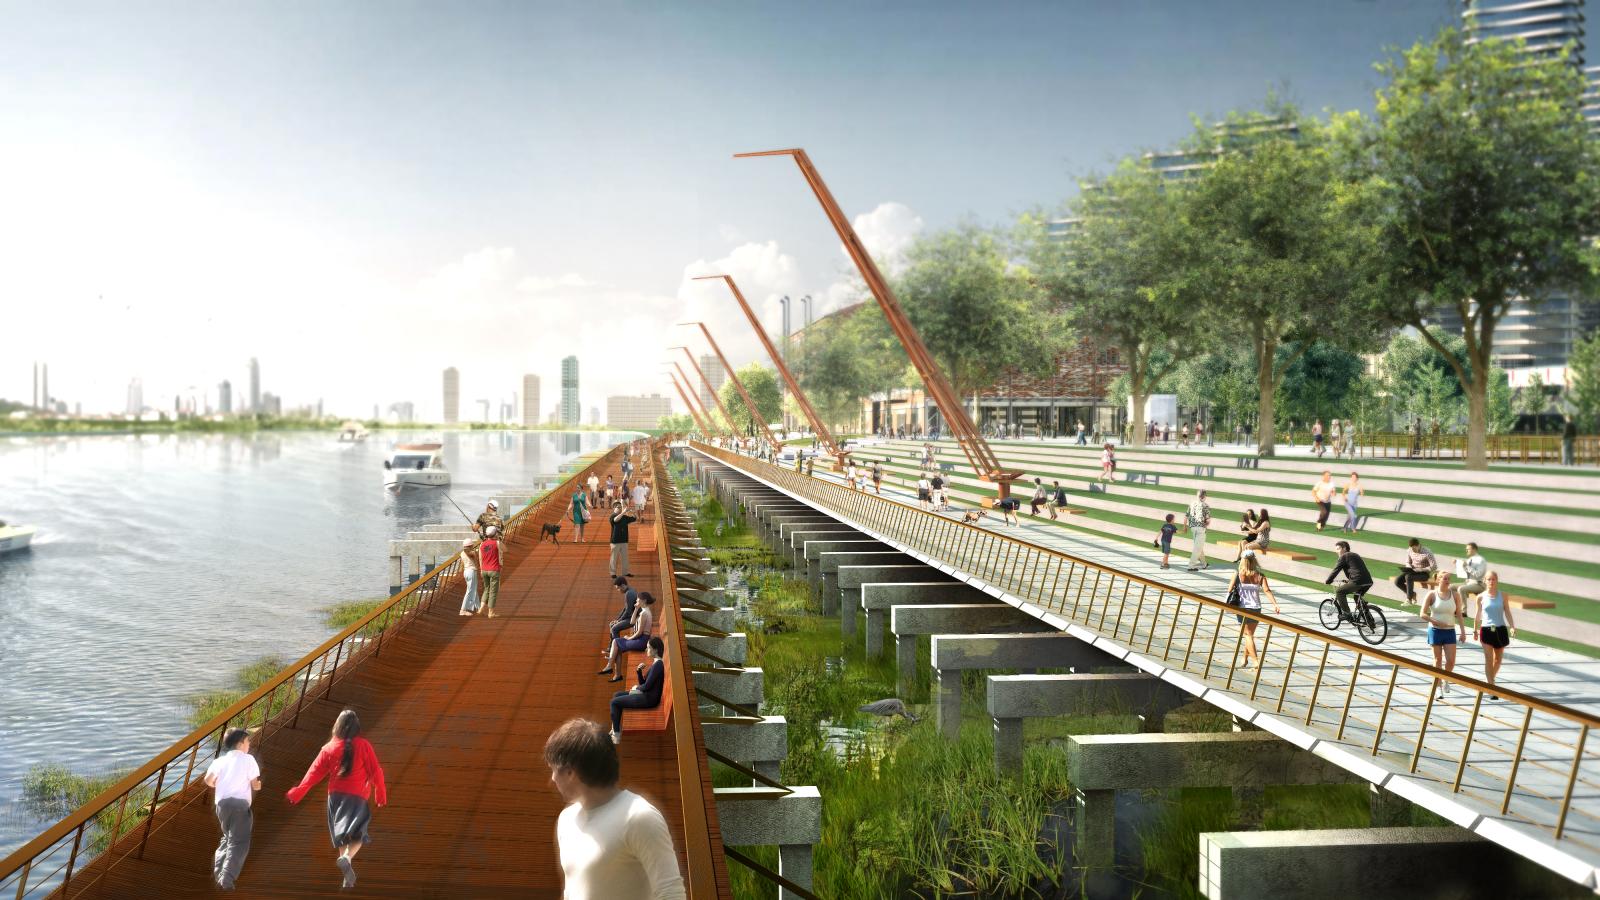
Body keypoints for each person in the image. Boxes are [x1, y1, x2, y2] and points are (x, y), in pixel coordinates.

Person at [546, 718, 686, 899]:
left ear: (570, 772)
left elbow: (671, 892)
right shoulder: (567, 819)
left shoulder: (639, 817)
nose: (552, 779)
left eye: (553, 769)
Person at [286, 709, 387, 891]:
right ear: (357, 727)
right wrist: (380, 794)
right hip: (357, 797)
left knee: (342, 837)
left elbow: (313, 773)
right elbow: (376, 771)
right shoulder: (364, 745)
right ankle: (347, 859)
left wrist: (297, 792)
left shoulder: (328, 748)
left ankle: (346, 878)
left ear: (337, 726)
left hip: (335, 797)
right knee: (358, 835)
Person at [205, 727, 261, 891]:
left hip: (222, 806)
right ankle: (226, 879)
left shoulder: (219, 761)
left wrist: (219, 784)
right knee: (240, 842)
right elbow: (254, 784)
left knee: (228, 837)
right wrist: (258, 785)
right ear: (240, 743)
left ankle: (219, 872)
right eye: (248, 741)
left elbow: (208, 780)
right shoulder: (248, 759)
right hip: (240, 806)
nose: (249, 744)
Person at [609, 636, 666, 744]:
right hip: (646, 694)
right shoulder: (655, 663)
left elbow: (646, 686)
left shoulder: (658, 665)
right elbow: (644, 683)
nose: (646, 650)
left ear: (655, 650)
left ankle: (616, 735)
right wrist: (639, 671)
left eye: (649, 648)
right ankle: (615, 726)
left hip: (649, 699)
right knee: (616, 695)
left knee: (614, 703)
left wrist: (636, 688)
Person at [1227, 554, 1280, 669]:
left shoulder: (1237, 574)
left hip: (1242, 608)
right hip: (1256, 608)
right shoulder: (1260, 576)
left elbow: (1229, 589)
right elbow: (1267, 590)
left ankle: (1255, 661)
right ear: (1254, 561)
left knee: (1248, 635)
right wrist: (1275, 604)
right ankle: (1245, 659)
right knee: (1249, 634)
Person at [1420, 572, 1466, 698]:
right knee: (1437, 660)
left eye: (1448, 579)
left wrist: (1462, 632)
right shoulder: (1431, 594)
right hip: (1435, 631)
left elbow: (1460, 615)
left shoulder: (1455, 595)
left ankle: (1446, 679)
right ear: (1438, 580)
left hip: (1450, 631)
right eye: (1444, 578)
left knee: (1451, 661)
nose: (1447, 581)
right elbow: (1422, 614)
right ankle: (1438, 687)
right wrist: (1436, 621)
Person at [1474, 572, 1516, 693]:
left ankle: (1490, 679)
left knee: (1497, 659)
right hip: (1486, 629)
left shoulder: (1503, 596)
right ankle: (1491, 687)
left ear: (1497, 580)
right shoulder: (1480, 597)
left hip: (1500, 629)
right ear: (1485, 581)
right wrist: (1475, 630)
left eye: (1493, 579)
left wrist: (1512, 626)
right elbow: (1477, 614)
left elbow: (1507, 611)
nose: (1491, 582)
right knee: (1488, 658)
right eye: (1489, 579)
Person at [600, 591, 655, 681]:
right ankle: (616, 674)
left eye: (638, 599)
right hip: (641, 639)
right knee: (617, 646)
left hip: (642, 641)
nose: (636, 600)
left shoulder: (644, 613)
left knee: (616, 642)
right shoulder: (644, 611)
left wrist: (629, 638)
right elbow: (632, 622)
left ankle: (610, 668)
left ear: (644, 600)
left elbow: (640, 632)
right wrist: (636, 609)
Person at [1324, 540, 1374, 620]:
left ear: (1344, 548)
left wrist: (1328, 580)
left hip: (1358, 581)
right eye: (1336, 549)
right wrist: (1349, 580)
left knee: (1339, 592)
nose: (1336, 551)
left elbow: (1336, 570)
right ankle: (1369, 620)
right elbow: (1356, 569)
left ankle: (1347, 614)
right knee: (1357, 598)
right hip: (1368, 581)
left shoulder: (1344, 556)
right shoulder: (1355, 555)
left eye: (1338, 549)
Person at [1394, 538, 1437, 604]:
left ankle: (1409, 599)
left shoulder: (1427, 552)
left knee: (1408, 577)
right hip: (1412, 571)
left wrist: (1421, 569)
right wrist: (1409, 566)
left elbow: (1434, 566)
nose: (1413, 550)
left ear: (1418, 545)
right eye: (1411, 549)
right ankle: (1413, 594)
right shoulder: (1410, 550)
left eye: (1414, 549)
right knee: (1397, 581)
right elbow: (1408, 562)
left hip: (1423, 574)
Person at [1454, 542, 1489, 611]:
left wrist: (1466, 566)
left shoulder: (1480, 560)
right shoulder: (1469, 559)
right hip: (1468, 583)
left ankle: (1463, 611)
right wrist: (1458, 564)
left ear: (1474, 549)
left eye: (1468, 549)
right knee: (1450, 587)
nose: (1466, 551)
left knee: (1461, 589)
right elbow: (1465, 572)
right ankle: (1454, 608)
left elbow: (1478, 574)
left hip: (1478, 584)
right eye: (1466, 549)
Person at [608, 501, 637, 579]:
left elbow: (634, 519)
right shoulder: (612, 516)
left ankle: (625, 572)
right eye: (618, 507)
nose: (620, 508)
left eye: (621, 507)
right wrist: (623, 512)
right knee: (614, 558)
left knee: (625, 557)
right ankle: (613, 573)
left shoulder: (624, 517)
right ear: (614, 508)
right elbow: (615, 520)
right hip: (615, 541)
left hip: (624, 540)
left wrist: (633, 512)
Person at [479, 526, 502, 618]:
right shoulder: (497, 543)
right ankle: (491, 612)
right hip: (494, 570)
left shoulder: (481, 544)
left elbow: (480, 558)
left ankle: (481, 608)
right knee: (493, 591)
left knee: (486, 589)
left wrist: (481, 569)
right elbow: (502, 554)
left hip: (484, 570)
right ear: (495, 533)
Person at [1184, 490, 1211, 572]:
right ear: (1204, 496)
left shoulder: (1192, 504)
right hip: (1200, 528)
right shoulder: (1205, 505)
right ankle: (1191, 566)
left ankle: (1204, 564)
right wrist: (1205, 527)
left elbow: (1186, 516)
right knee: (1197, 548)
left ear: (1197, 495)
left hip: (1192, 528)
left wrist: (1185, 527)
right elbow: (1208, 520)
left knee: (1199, 546)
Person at [607, 577, 639, 642]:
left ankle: (617, 648)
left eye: (618, 588)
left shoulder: (629, 594)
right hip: (632, 616)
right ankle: (611, 647)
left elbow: (628, 611)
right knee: (612, 624)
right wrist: (618, 620)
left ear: (623, 585)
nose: (618, 590)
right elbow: (625, 609)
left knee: (614, 629)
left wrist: (619, 621)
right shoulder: (630, 590)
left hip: (635, 618)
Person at [458, 537, 481, 616]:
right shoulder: (473, 553)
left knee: (473, 590)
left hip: (466, 572)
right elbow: (476, 561)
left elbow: (462, 564)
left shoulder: (461, 553)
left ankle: (479, 608)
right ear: (471, 545)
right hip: (471, 572)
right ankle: (463, 610)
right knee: (470, 591)